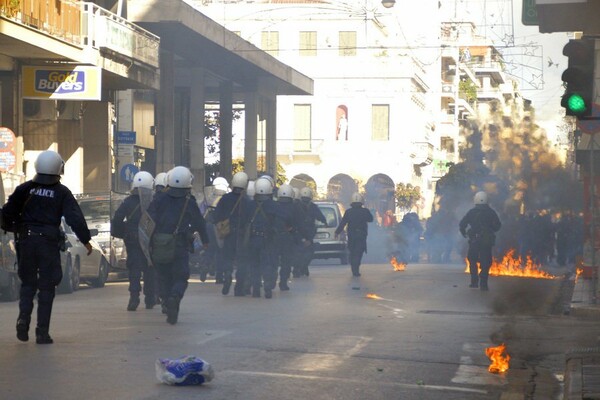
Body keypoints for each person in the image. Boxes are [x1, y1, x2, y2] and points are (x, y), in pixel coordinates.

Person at [2, 150, 92, 344]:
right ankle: (42, 332)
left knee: (27, 284)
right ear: (58, 168)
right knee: (47, 287)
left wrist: (15, 227)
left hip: (26, 242)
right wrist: (85, 239)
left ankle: (23, 320)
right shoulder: (62, 192)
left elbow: (7, 213)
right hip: (48, 244)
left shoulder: (24, 189)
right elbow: (74, 218)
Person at [147, 166, 209, 324]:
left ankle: (167, 302)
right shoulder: (190, 202)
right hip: (180, 246)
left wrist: (149, 243)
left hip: (160, 245)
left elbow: (148, 222)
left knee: (163, 276)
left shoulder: (159, 199)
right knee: (180, 277)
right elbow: (200, 223)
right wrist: (206, 241)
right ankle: (175, 297)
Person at [112, 171, 157, 311]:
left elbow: (117, 220)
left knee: (134, 269)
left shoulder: (128, 202)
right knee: (150, 268)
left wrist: (123, 233)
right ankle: (150, 299)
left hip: (133, 240)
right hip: (151, 240)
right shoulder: (154, 202)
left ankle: (134, 296)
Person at [212, 171, 250, 296]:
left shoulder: (225, 198)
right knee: (242, 261)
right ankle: (239, 288)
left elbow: (215, 216)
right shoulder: (247, 201)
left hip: (227, 234)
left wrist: (221, 225)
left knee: (227, 257)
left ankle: (227, 274)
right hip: (241, 235)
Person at [459, 191, 502, 291]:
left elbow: (462, 224)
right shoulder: (491, 212)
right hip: (486, 242)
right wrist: (490, 230)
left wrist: (464, 233)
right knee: (486, 262)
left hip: (474, 240)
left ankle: (474, 282)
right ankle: (483, 284)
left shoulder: (472, 212)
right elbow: (498, 225)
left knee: (472, 259)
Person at [335, 193, 373, 277]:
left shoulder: (348, 212)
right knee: (359, 253)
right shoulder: (365, 211)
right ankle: (356, 269)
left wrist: (337, 232)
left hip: (352, 235)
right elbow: (371, 219)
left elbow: (343, 223)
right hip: (361, 236)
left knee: (352, 252)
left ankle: (354, 268)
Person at [293, 187, 326, 277]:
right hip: (302, 234)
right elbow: (322, 218)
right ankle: (300, 268)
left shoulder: (296, 206)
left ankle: (301, 268)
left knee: (302, 253)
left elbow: (321, 217)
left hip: (300, 234)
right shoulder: (312, 207)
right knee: (306, 253)